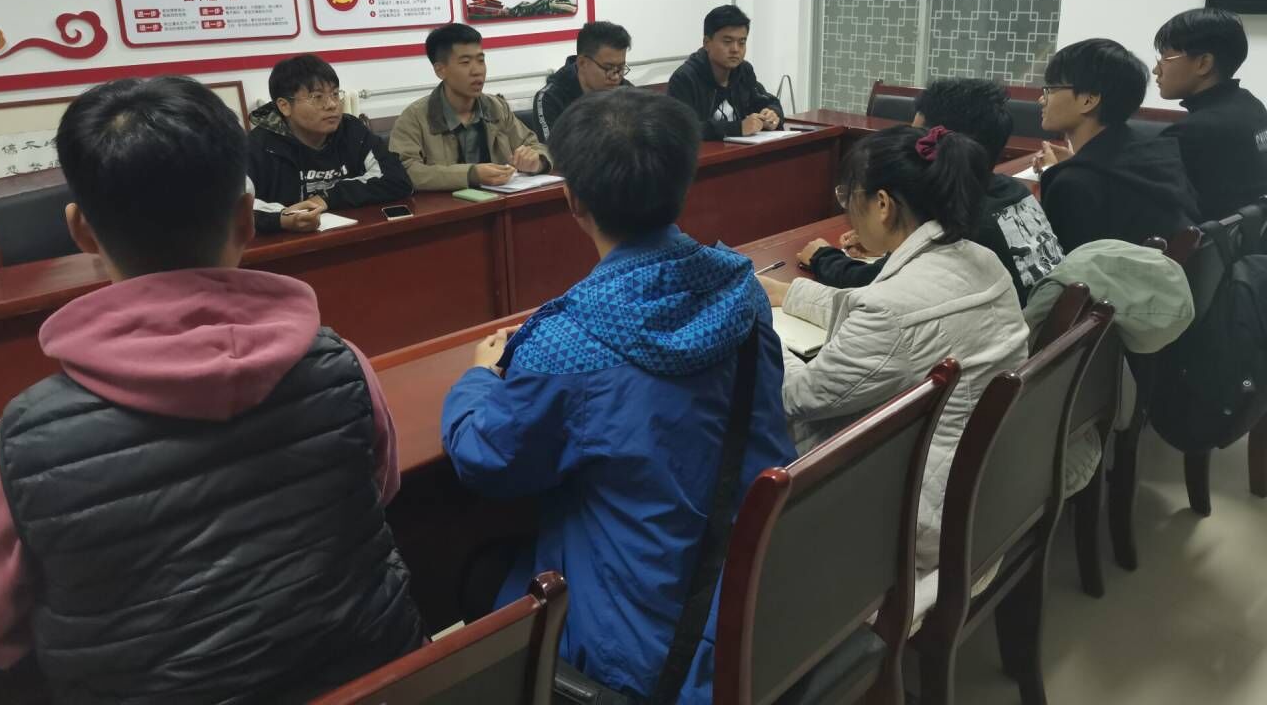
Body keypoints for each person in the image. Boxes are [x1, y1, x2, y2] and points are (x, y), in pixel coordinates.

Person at [0, 77, 422, 702]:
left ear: (80, 232)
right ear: (247, 219)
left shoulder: (15, 444)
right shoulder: (343, 365)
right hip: (381, 681)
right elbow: (379, 491)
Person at [441, 89, 795, 703]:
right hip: (757, 596)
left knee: (476, 576)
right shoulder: (742, 292)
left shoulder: (567, 345)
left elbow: (489, 459)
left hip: (642, 647)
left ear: (571, 198)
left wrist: (476, 379)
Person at [758, 124, 1028, 567]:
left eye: (849, 197)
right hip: (991, 477)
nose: (848, 212)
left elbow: (797, 397)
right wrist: (787, 294)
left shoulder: (891, 311)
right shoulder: (981, 259)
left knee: (756, 418)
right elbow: (872, 305)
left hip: (923, 511)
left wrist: (763, 334)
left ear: (882, 204)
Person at [800, 78, 1063, 306]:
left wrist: (823, 257)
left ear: (943, 146)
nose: (908, 148)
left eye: (917, 140)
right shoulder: (1013, 190)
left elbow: (877, 284)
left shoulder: (960, 217)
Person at [1035, 39, 1199, 251]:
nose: (1041, 99)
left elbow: (1057, 263)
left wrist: (1057, 171)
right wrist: (1074, 163)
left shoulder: (1073, 184)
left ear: (1088, 100)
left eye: (1050, 89)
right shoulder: (1155, 152)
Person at [247, 53, 412, 233]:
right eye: (317, 97)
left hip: (350, 235)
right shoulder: (257, 147)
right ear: (284, 106)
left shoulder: (352, 130)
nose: (332, 104)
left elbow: (396, 179)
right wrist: (281, 219)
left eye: (335, 94)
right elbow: (232, 207)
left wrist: (326, 198)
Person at [389, 23, 551, 190]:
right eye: (465, 62)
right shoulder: (415, 118)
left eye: (481, 60)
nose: (477, 71)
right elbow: (405, 171)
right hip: (447, 205)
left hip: (500, 201)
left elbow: (535, 146)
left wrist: (537, 161)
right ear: (440, 70)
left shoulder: (497, 107)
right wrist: (470, 175)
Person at [1153, 7, 1267, 221]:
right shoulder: (1251, 105)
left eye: (1166, 59)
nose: (1156, 70)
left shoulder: (1189, 134)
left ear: (1203, 63)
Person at [667, 4, 784, 141]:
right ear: (707, 43)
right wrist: (737, 128)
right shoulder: (685, 78)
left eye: (742, 42)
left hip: (742, 150)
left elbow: (767, 101)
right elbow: (682, 129)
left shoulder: (743, 71)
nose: (735, 49)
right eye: (727, 41)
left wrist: (772, 114)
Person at [532, 20, 633, 142]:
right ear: (582, 63)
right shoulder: (551, 99)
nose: (616, 77)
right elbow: (552, 151)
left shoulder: (628, 93)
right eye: (608, 68)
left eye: (620, 68)